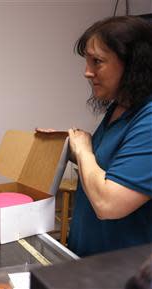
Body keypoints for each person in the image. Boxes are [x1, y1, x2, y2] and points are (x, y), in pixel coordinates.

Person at [66, 16, 152, 257]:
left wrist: (84, 149)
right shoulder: (120, 108)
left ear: (133, 64)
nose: (87, 72)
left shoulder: (149, 119)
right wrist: (70, 147)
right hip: (90, 261)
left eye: (97, 62)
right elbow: (108, 164)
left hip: (124, 273)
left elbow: (108, 204)